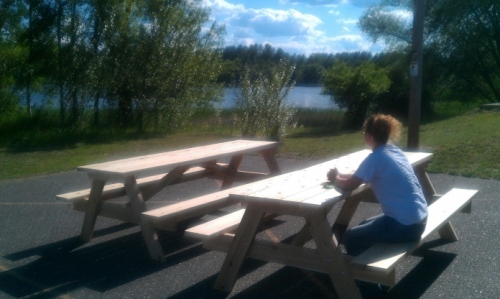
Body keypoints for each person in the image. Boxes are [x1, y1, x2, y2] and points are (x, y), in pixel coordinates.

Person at [327, 114, 428, 298]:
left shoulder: (375, 159)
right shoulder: (393, 151)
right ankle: (374, 276)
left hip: (405, 226)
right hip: (419, 219)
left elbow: (350, 185)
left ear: (368, 136)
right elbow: (355, 178)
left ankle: (371, 292)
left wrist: (335, 178)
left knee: (350, 239)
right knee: (363, 224)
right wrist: (340, 176)